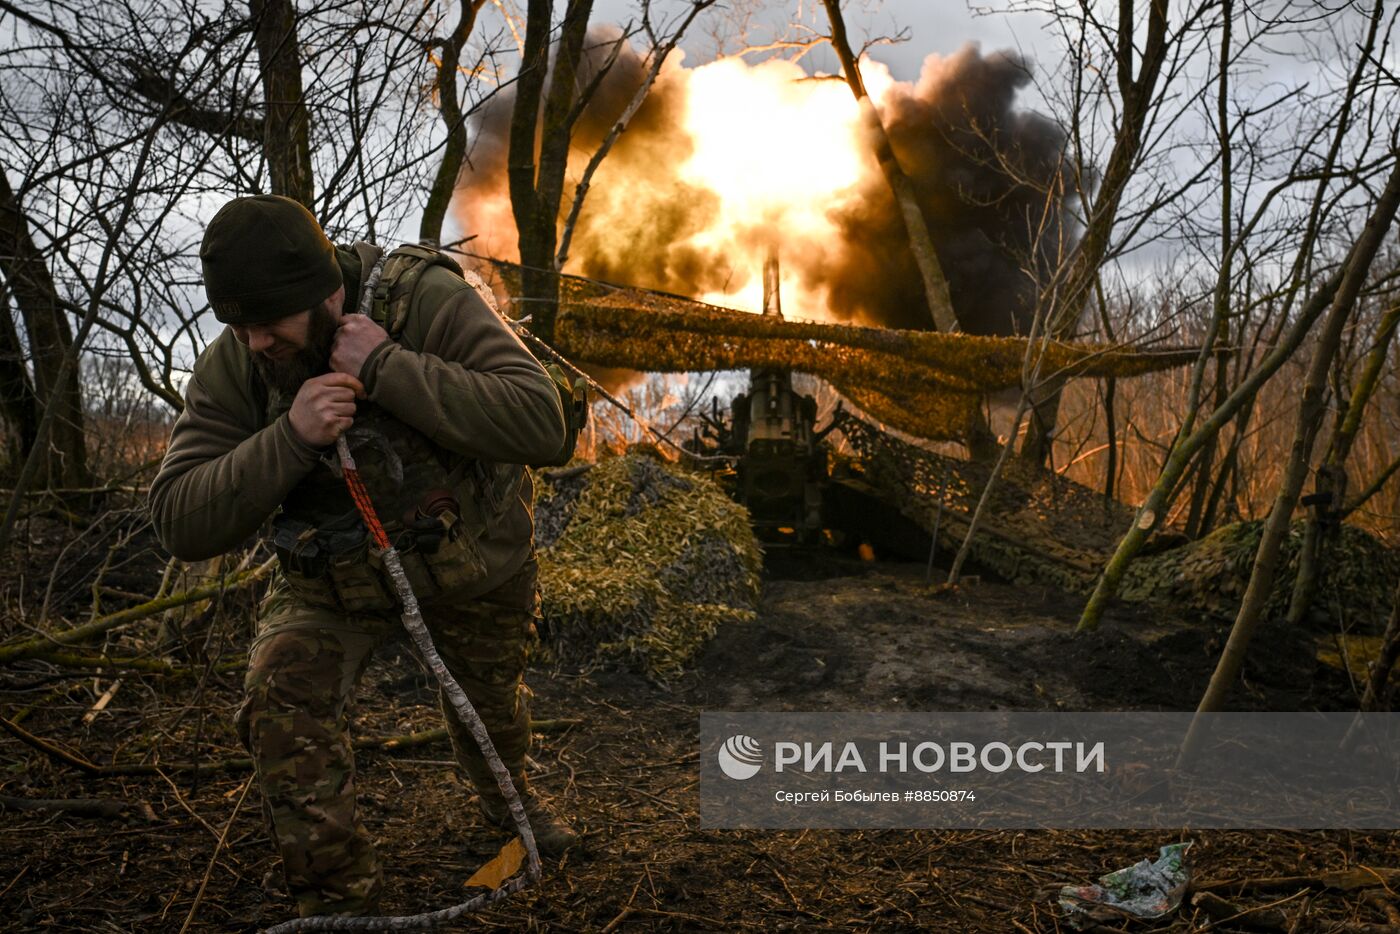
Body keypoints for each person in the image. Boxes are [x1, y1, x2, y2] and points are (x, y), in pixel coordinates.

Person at [149, 194, 577, 919]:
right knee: (282, 695)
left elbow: (545, 423)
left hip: (473, 559)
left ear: (327, 292)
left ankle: (514, 814)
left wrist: (385, 365)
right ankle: (339, 901)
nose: (255, 342)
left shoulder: (424, 301)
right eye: (240, 325)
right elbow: (178, 519)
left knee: (489, 708)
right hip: (333, 580)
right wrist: (290, 436)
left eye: (267, 323)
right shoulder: (242, 364)